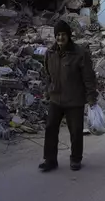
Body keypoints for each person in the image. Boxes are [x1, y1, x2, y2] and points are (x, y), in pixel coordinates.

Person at [39, 20, 98, 172]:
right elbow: (48, 75)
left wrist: (91, 98)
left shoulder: (80, 53)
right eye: (58, 35)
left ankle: (76, 159)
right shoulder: (50, 53)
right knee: (51, 128)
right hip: (55, 98)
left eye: (63, 35)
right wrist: (47, 90)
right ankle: (50, 160)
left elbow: (89, 78)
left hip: (74, 99)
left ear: (69, 36)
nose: (60, 38)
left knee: (76, 131)